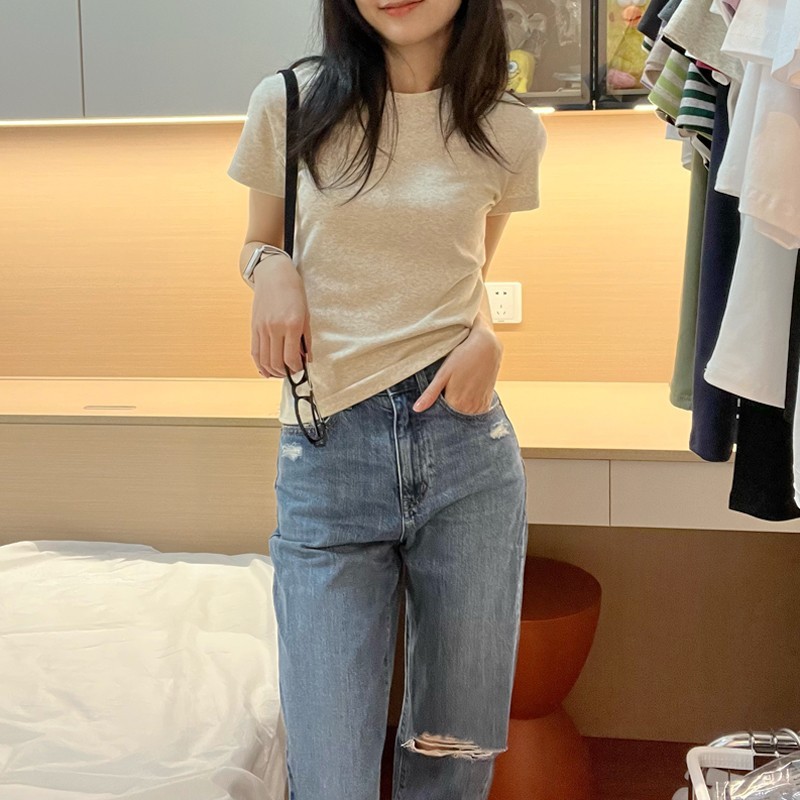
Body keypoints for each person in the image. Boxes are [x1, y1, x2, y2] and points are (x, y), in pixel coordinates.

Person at [226, 1, 547, 797]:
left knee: (453, 763)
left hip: (466, 453)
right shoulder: (290, 103)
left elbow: (464, 276)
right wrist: (271, 268)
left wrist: (487, 339)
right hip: (330, 454)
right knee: (330, 774)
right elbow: (259, 239)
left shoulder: (509, 129)